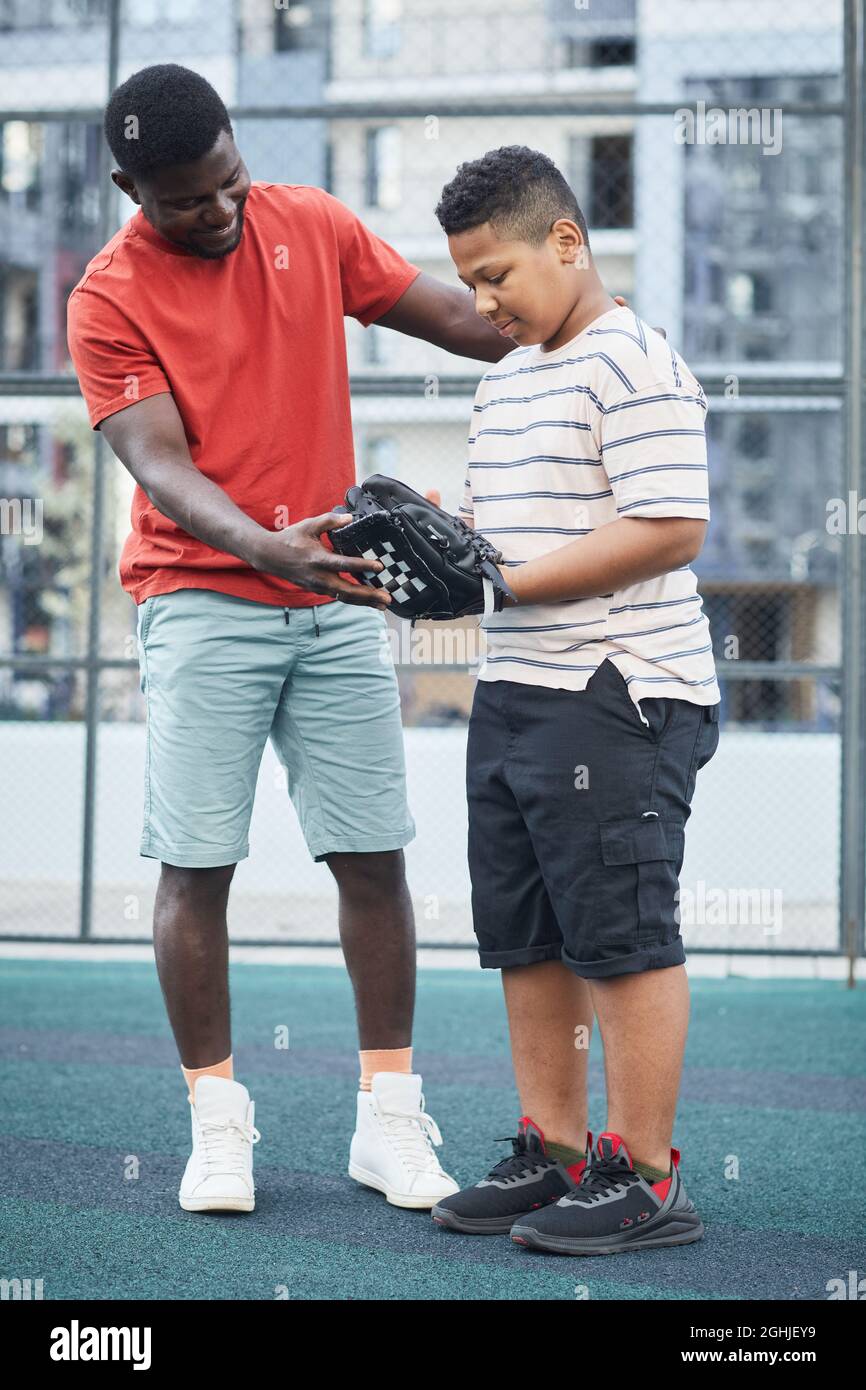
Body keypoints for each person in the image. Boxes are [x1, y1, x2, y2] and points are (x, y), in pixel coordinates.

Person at [65, 64, 515, 1216]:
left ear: (235, 149)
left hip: (335, 599)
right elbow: (158, 462)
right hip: (202, 598)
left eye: (227, 182)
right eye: (184, 202)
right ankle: (219, 1125)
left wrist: (572, 305)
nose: (217, 211)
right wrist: (265, 548)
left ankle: (387, 1118)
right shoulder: (106, 294)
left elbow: (465, 323)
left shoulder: (307, 223)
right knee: (196, 868)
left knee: (372, 856)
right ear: (131, 188)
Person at [429, 145, 721, 1254]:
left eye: (496, 272)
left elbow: (667, 526)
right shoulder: (503, 379)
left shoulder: (629, 361)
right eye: (466, 283)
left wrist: (497, 576)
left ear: (565, 239)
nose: (483, 299)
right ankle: (552, 1151)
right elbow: (498, 541)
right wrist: (429, 544)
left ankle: (643, 1178)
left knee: (622, 935)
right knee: (526, 933)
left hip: (615, 692)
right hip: (513, 687)